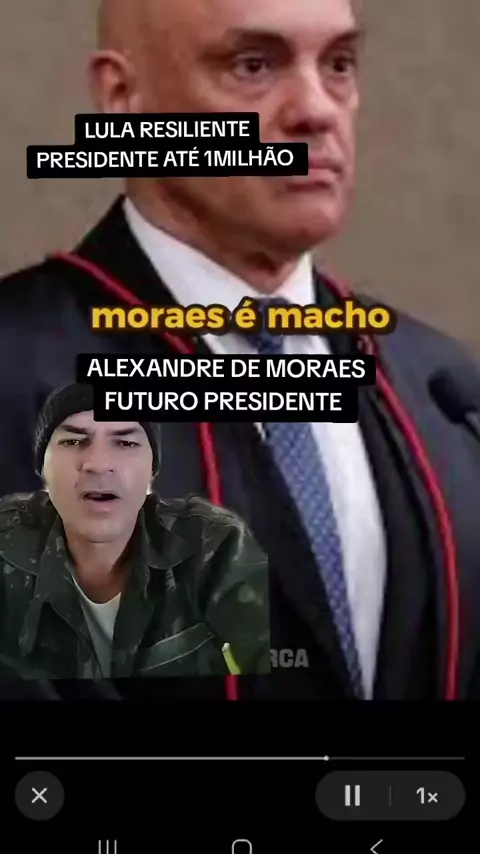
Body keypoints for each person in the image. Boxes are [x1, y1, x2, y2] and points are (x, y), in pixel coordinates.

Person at [0, 0, 480, 700]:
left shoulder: (441, 394)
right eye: (253, 65)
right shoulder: (17, 375)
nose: (315, 110)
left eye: (339, 64)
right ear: (123, 97)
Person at [0, 382, 270, 692]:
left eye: (125, 443)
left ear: (152, 468)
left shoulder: (214, 547)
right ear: (43, 466)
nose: (99, 464)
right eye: (73, 442)